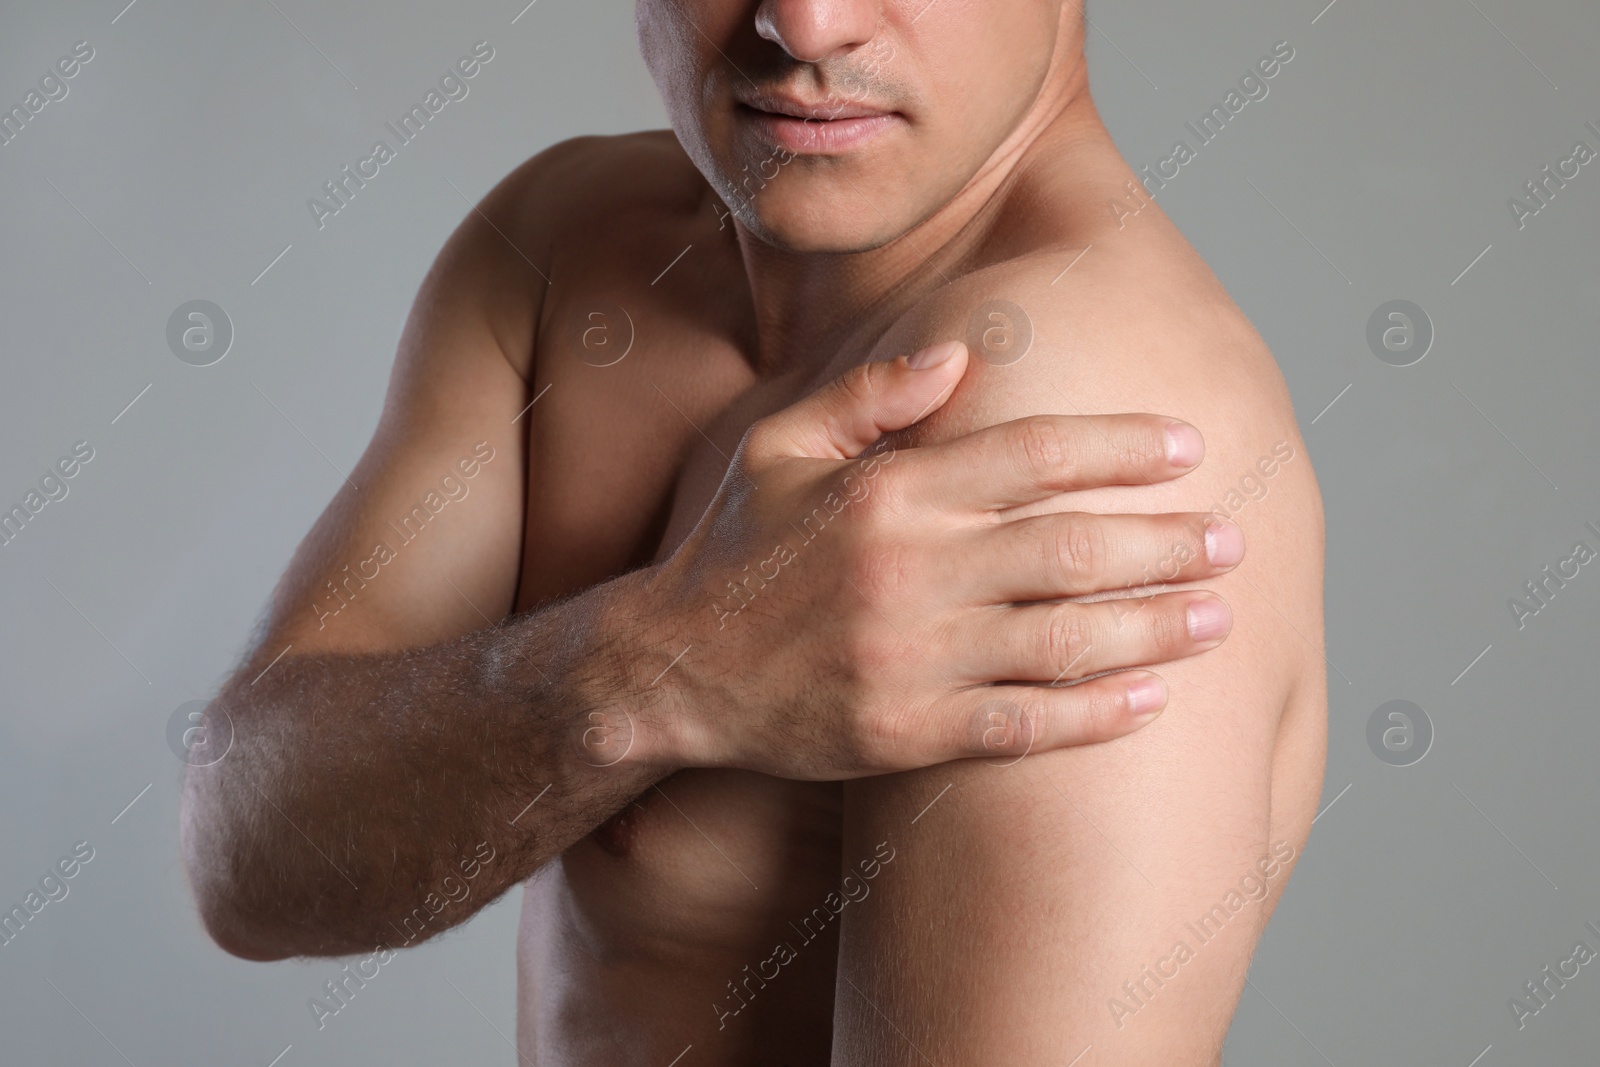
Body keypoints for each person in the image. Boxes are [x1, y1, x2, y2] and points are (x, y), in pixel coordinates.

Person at [181, 2, 1326, 1063]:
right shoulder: (560, 242)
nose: (805, 21)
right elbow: (250, 859)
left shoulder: (1072, 409)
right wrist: (656, 670)